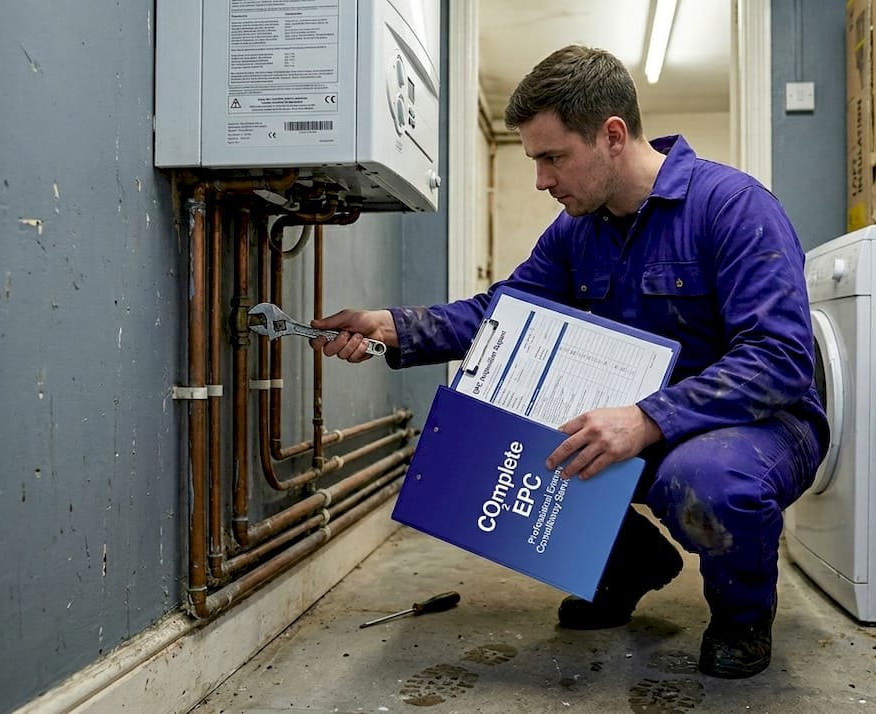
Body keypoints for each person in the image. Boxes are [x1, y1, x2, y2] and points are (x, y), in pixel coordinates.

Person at [309, 45, 828, 679]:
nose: (542, 180)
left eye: (553, 158)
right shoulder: (576, 232)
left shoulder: (732, 207)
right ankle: (626, 563)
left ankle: (742, 616)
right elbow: (501, 316)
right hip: (636, 420)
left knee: (707, 480)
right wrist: (392, 327)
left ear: (612, 135)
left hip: (759, 427)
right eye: (534, 161)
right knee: (472, 446)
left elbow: (779, 359)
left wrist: (646, 418)